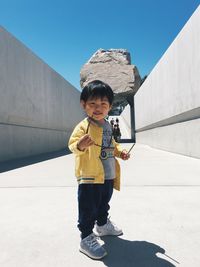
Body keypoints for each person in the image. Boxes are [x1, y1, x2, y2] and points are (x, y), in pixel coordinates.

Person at [68, 80, 130, 260]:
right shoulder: (83, 126)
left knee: (104, 203)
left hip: (108, 175)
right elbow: (71, 145)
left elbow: (112, 145)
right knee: (88, 208)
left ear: (110, 106)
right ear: (83, 104)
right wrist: (80, 144)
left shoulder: (108, 126)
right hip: (89, 177)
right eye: (92, 103)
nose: (98, 108)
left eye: (103, 104)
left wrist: (121, 152)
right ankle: (86, 238)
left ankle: (102, 225)